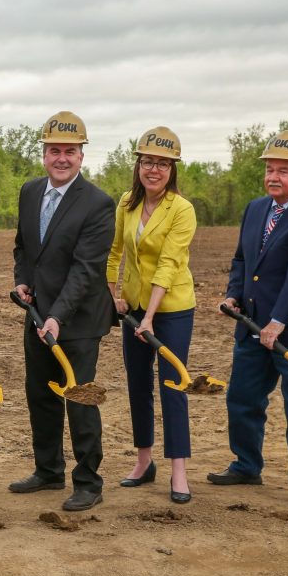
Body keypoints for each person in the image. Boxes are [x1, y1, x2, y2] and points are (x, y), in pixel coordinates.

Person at [9, 112, 116, 511]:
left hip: (79, 321)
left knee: (80, 397)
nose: (62, 158)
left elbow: (86, 269)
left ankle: (89, 480)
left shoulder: (98, 203)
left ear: (81, 156)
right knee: (40, 393)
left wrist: (58, 315)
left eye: (70, 152)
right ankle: (48, 470)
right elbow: (23, 247)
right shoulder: (30, 191)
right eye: (55, 151)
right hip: (38, 314)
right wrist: (23, 281)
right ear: (44, 154)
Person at [215, 130, 288, 512]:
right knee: (242, 399)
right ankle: (247, 466)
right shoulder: (256, 208)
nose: (273, 177)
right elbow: (243, 260)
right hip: (251, 325)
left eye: (283, 171)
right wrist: (233, 294)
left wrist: (279, 321)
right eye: (269, 170)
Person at [106, 127, 197, 504]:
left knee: (173, 386)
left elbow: (169, 264)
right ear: (138, 165)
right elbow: (114, 252)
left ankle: (179, 470)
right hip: (134, 307)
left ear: (173, 168)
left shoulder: (182, 210)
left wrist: (150, 317)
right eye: (147, 162)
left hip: (172, 308)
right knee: (138, 384)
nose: (153, 169)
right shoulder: (127, 202)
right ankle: (144, 462)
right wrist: (115, 294)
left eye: (161, 163)